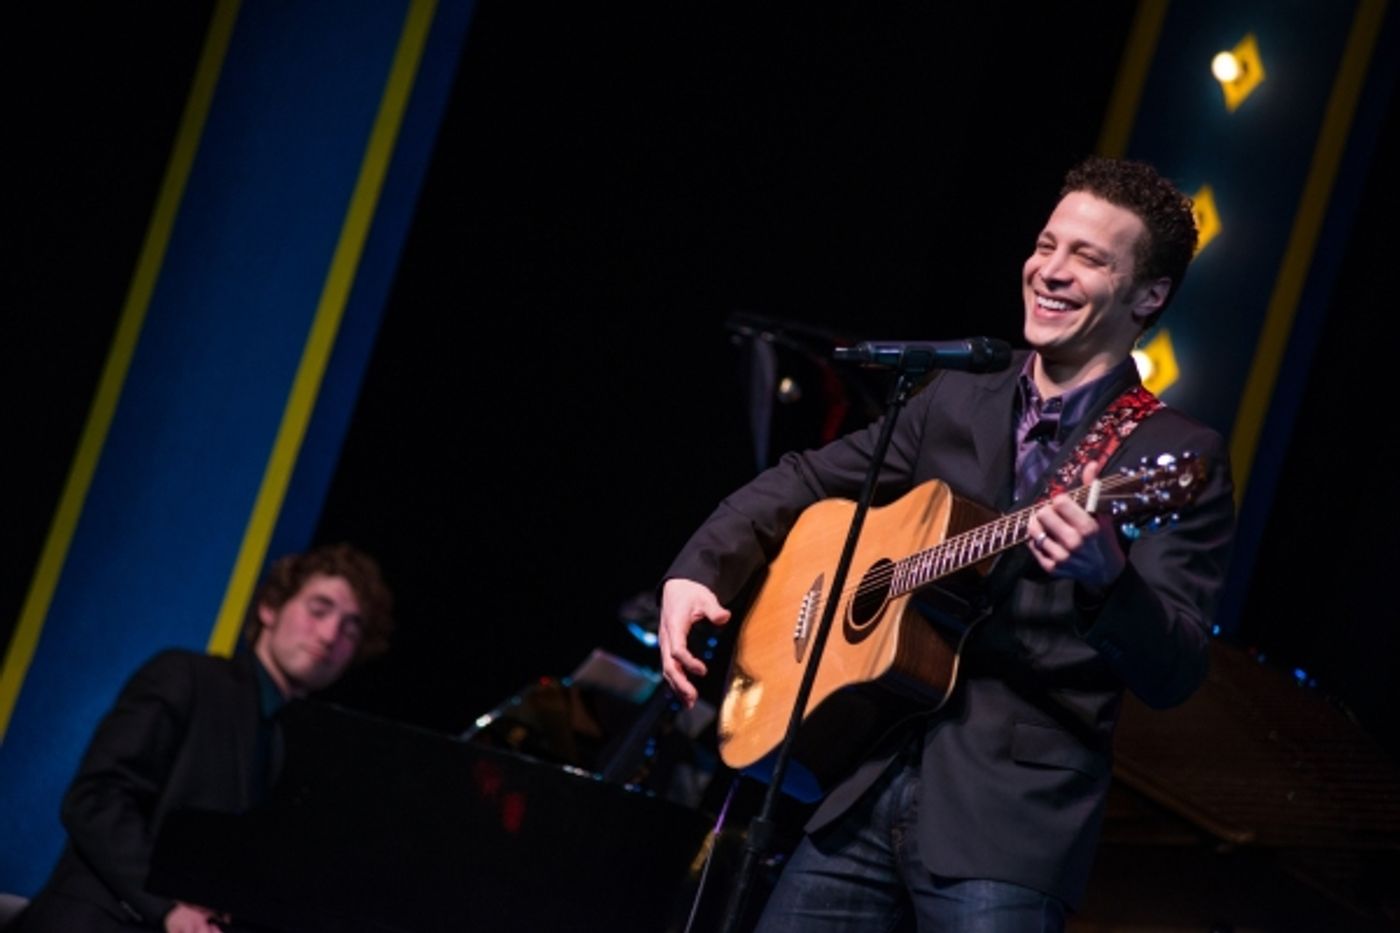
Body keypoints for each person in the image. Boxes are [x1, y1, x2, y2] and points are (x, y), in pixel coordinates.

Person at [658, 156, 1235, 930]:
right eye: (1046, 245)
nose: (1051, 272)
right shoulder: (957, 396)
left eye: (1088, 258)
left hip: (1007, 824)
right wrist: (700, 569)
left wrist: (1110, 582)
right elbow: (805, 478)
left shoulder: (1173, 455)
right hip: (863, 784)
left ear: (1150, 294)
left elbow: (1177, 668)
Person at [14, 543, 394, 933]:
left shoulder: (310, 753)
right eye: (318, 610)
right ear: (269, 607)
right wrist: (168, 907)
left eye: (352, 627)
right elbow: (95, 799)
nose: (330, 634)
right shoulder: (186, 676)